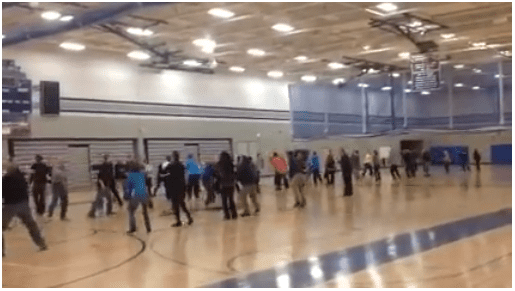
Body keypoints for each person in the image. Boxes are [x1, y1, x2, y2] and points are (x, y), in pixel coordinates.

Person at [3, 161, 48, 256]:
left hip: (10, 206)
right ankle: (41, 244)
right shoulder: (21, 177)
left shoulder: (5, 180)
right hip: (24, 205)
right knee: (31, 225)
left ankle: (1, 251)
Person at [124, 161, 151, 234]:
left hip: (135, 194)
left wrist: (127, 196)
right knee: (145, 212)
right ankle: (148, 227)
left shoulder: (130, 175)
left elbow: (128, 188)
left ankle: (133, 228)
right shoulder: (142, 174)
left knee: (131, 211)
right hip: (144, 193)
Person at [168, 151, 193, 227]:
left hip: (174, 187)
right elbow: (184, 176)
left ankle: (178, 221)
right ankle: (189, 217)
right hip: (181, 186)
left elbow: (169, 177)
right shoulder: (182, 165)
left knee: (175, 205)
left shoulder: (171, 166)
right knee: (182, 204)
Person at [215, 151, 238, 220]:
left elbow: (217, 174)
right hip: (231, 184)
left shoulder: (219, 164)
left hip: (223, 185)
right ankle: (234, 214)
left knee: (224, 200)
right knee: (231, 200)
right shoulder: (231, 163)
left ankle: (227, 215)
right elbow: (234, 173)